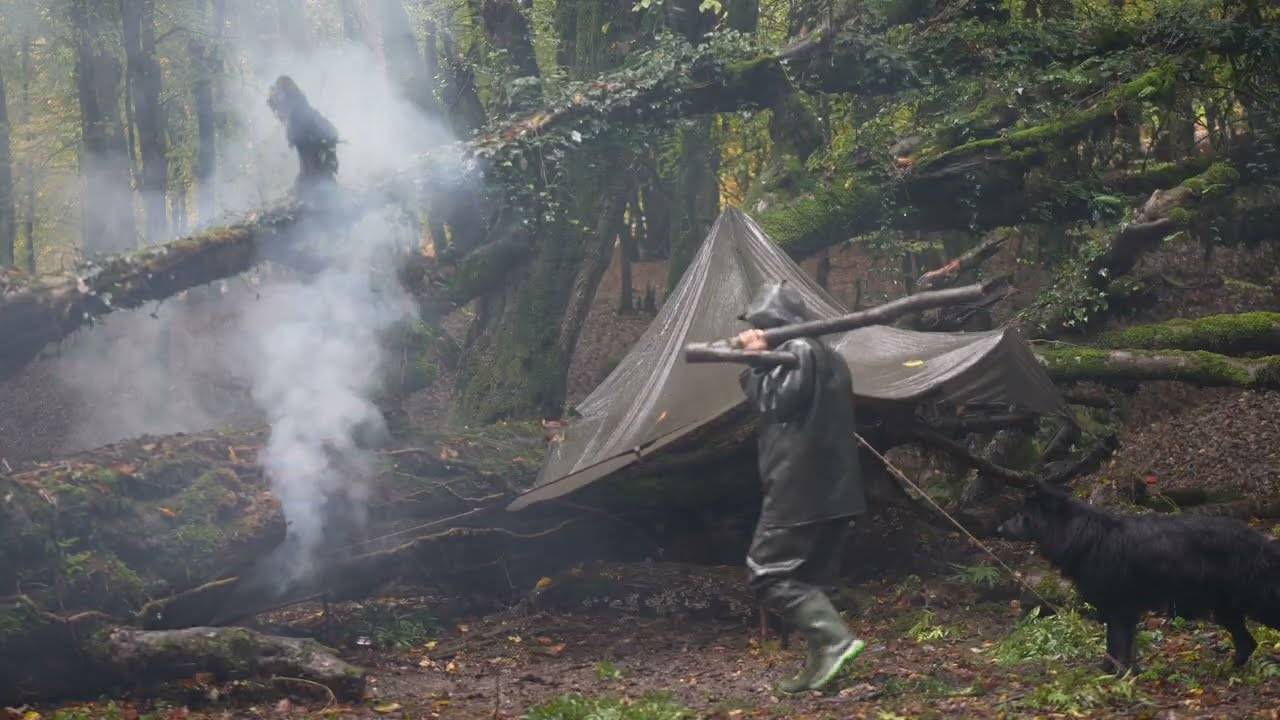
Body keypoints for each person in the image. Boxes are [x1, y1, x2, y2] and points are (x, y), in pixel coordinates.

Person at [736, 281, 868, 693]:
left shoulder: (798, 350)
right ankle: (824, 664)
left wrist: (755, 363)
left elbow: (775, 403)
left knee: (767, 573)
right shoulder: (831, 356)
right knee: (812, 580)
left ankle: (834, 640)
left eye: (759, 324)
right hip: (834, 490)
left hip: (799, 488)